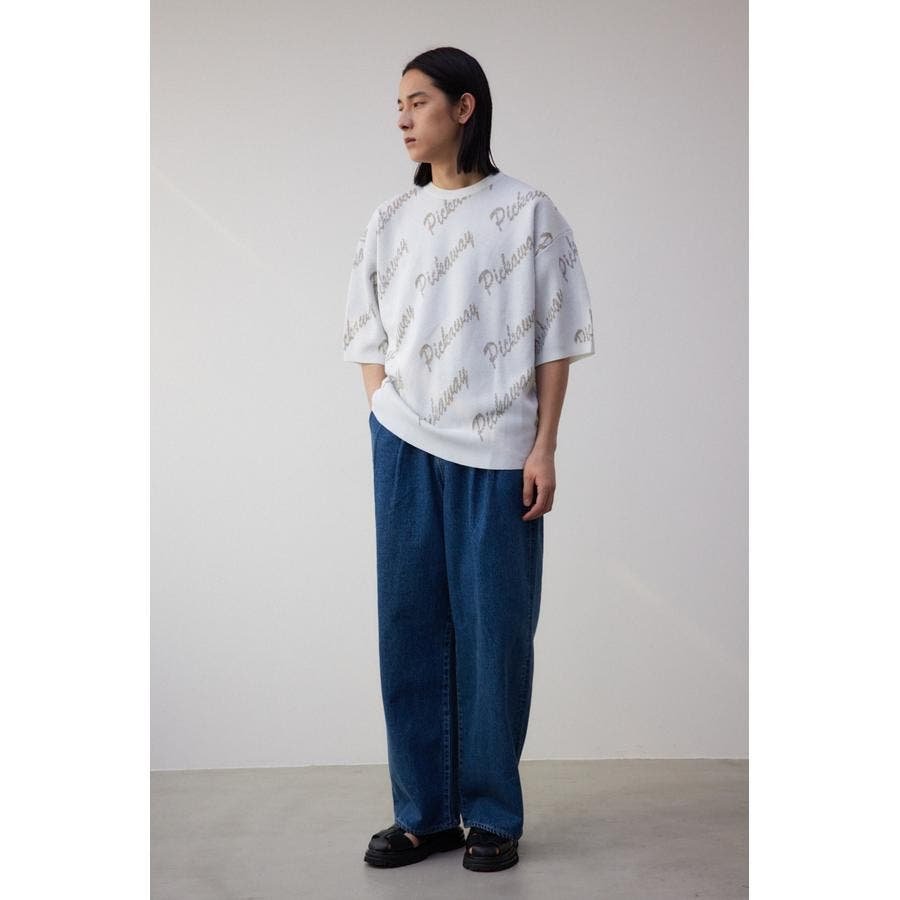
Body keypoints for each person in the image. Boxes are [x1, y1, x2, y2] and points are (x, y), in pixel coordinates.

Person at [342, 46, 596, 873]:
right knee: (408, 628)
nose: (402, 118)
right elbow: (365, 332)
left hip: (498, 453)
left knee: (495, 634)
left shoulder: (527, 213)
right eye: (398, 104)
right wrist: (384, 414)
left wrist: (544, 446)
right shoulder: (391, 219)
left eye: (418, 101)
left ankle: (490, 814)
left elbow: (556, 338)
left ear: (465, 107)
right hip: (404, 446)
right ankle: (424, 814)